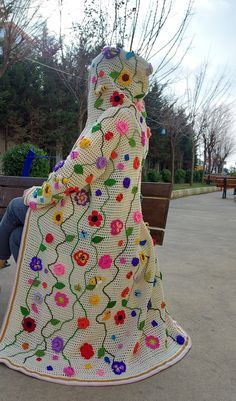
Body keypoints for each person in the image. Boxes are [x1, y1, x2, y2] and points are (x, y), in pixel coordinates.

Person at [0, 46, 191, 385]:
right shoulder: (138, 121)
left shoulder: (113, 120)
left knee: (18, 207)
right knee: (19, 234)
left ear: (105, 79)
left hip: (92, 232)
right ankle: (26, 289)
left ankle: (10, 270)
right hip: (119, 233)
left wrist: (36, 194)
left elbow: (71, 173)